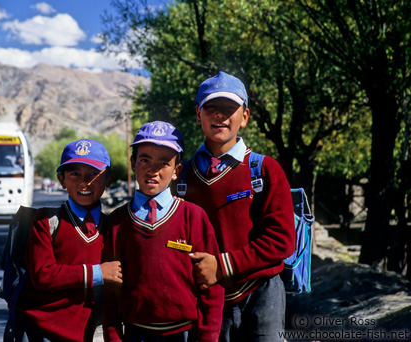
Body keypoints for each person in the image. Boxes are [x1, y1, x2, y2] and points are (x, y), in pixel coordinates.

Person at [172, 71, 296, 342]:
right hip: (205, 299)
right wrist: (189, 256)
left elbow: (283, 240)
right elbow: (174, 242)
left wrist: (222, 265)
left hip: (262, 295)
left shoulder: (265, 170)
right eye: (211, 107)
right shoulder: (182, 177)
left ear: (245, 117)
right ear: (198, 114)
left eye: (230, 108)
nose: (220, 115)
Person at [102, 121, 224, 342]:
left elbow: (211, 286)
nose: (153, 169)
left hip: (185, 333)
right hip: (135, 333)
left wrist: (207, 338)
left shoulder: (193, 217)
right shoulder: (118, 222)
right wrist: (113, 336)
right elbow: (110, 291)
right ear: (133, 164)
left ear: (177, 171)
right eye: (145, 160)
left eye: (163, 163)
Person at [16, 138, 123, 342]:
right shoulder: (46, 221)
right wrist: (99, 272)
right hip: (47, 330)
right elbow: (42, 274)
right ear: (61, 179)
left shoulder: (116, 226)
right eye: (74, 174)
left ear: (109, 179)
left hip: (98, 330)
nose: (85, 182)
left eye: (94, 174)